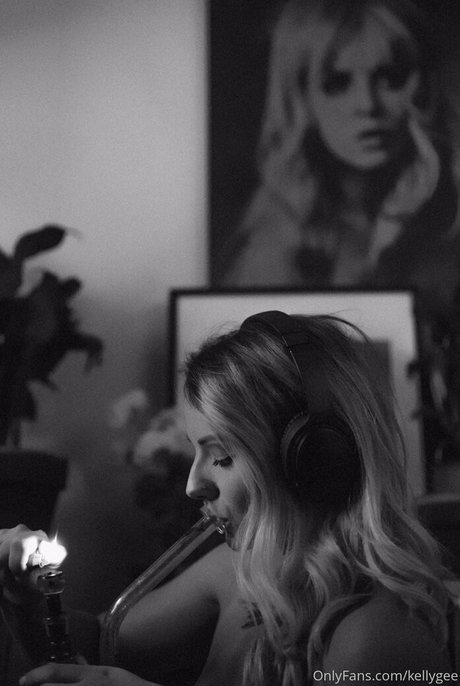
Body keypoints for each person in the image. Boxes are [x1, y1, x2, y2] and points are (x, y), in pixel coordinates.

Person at [0, 311, 454, 685]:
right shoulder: (243, 567)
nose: (192, 485)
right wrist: (27, 597)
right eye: (194, 451)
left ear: (313, 459)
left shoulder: (376, 637)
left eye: (220, 456)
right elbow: (103, 642)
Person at [221, 0, 460, 314]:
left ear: (424, 85)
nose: (367, 105)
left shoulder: (450, 215)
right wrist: (383, 259)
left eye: (391, 77)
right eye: (337, 82)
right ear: (304, 98)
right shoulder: (277, 238)